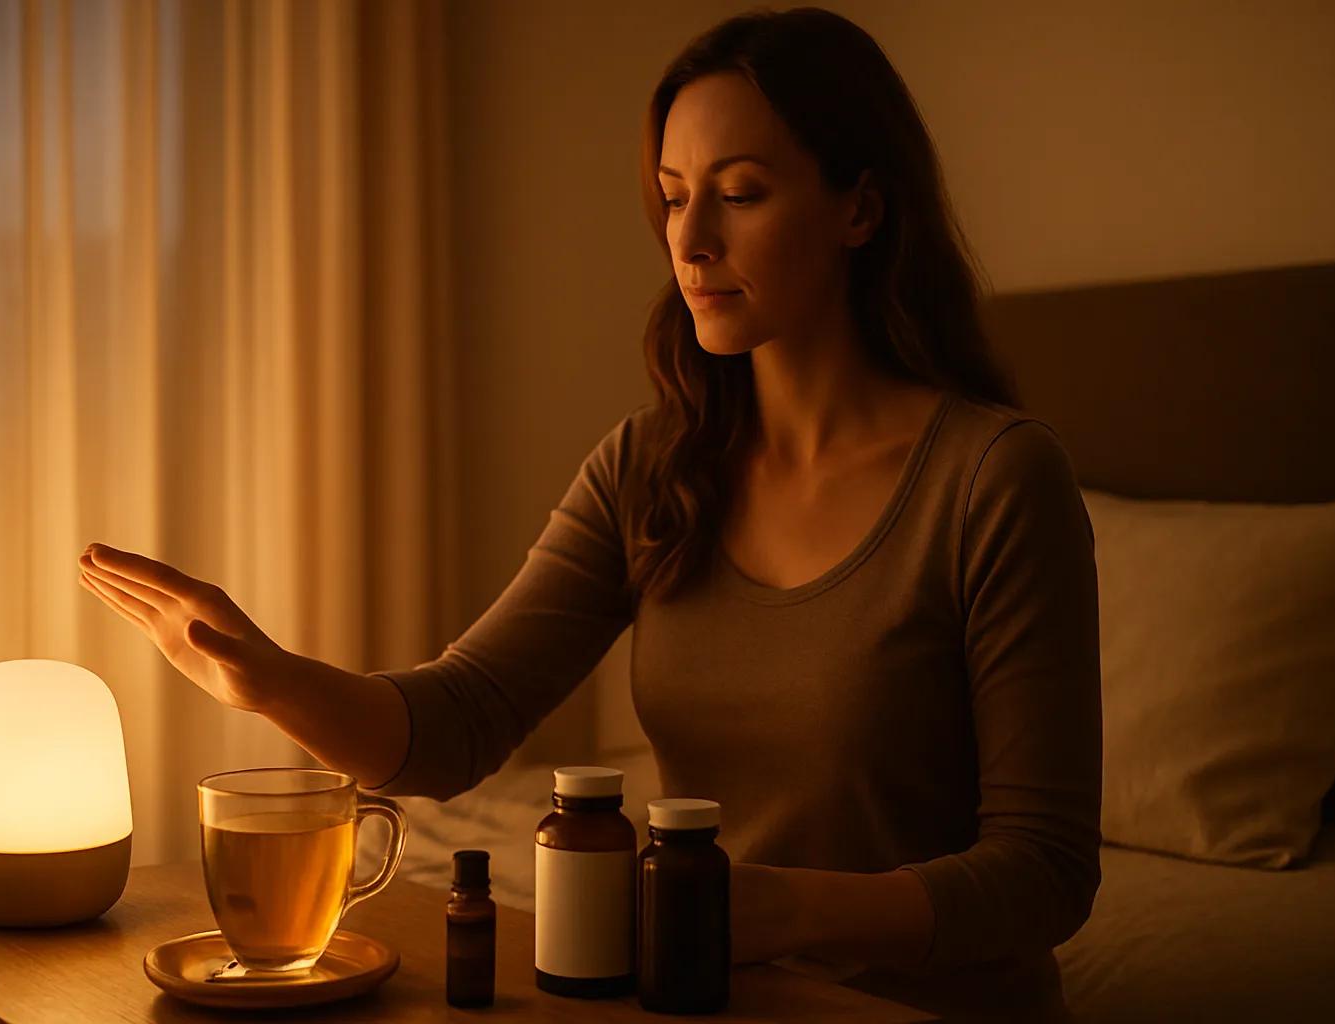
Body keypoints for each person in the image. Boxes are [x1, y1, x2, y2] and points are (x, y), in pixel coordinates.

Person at [79, 7, 1100, 1021]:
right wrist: (269, 678)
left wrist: (784, 909)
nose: (689, 240)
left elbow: (1046, 871)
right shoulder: (651, 467)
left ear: (861, 209)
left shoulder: (994, 479)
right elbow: (461, 719)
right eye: (674, 196)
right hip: (704, 995)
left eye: (740, 194)